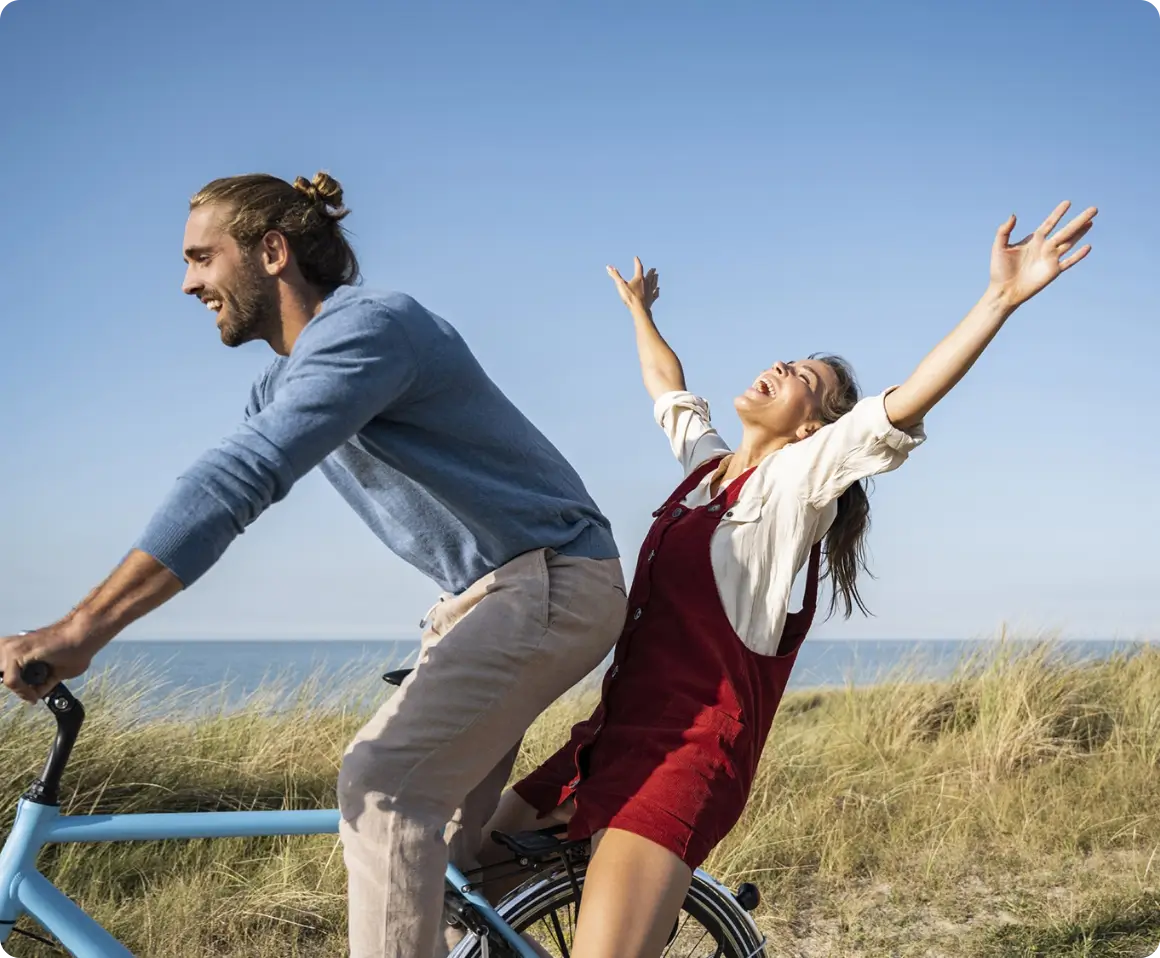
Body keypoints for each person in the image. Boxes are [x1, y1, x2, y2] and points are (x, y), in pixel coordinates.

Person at [0, 171, 629, 958]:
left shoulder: (372, 326)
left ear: (271, 252)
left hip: (550, 582)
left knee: (383, 791)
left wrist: (81, 628)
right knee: (445, 866)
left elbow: (245, 475)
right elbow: (227, 479)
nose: (186, 282)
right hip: (489, 599)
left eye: (201, 258)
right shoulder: (283, 381)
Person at [478, 200, 1098, 958]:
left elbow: (902, 404)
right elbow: (669, 391)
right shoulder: (706, 474)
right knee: (458, 872)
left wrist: (999, 297)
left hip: (683, 760)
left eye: (803, 376)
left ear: (814, 426)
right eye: (786, 359)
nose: (777, 366)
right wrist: (639, 312)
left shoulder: (800, 485)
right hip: (605, 741)